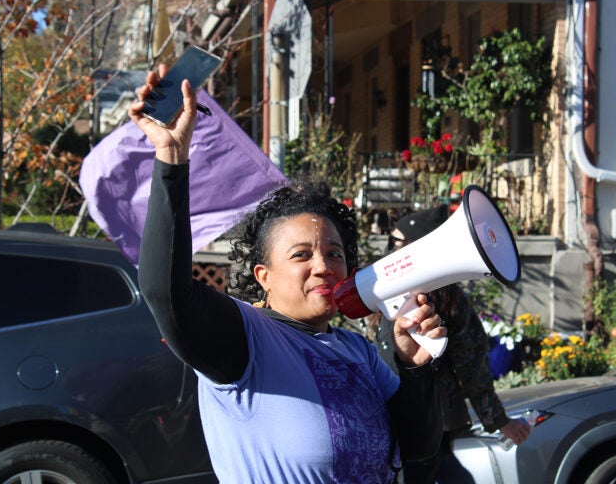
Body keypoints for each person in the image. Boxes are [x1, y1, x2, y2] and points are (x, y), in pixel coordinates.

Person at [127, 67, 445, 483]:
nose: (323, 266)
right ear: (264, 276)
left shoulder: (358, 351)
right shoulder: (246, 340)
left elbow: (418, 451)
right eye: (301, 254)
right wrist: (171, 159)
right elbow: (163, 292)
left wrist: (413, 366)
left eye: (334, 253)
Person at [373, 205, 531, 484]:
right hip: (392, 420)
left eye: (396, 243)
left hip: (427, 424)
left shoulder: (445, 301)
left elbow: (472, 365)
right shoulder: (392, 292)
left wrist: (498, 421)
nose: (390, 250)